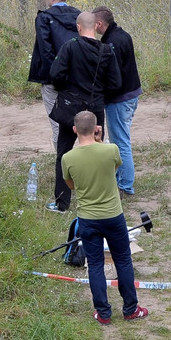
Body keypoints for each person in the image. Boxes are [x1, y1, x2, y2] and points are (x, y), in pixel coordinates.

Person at [62, 111, 149, 325]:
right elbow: (114, 167)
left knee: (95, 265)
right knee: (123, 261)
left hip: (88, 219)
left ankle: (103, 312)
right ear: (96, 128)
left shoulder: (68, 158)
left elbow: (71, 185)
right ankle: (130, 308)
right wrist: (99, 142)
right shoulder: (111, 150)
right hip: (113, 215)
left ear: (74, 130)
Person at [49, 11, 121, 212]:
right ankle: (101, 198)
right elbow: (116, 82)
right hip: (94, 107)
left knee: (63, 152)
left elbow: (56, 74)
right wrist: (98, 91)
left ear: (78, 27)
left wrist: (67, 87)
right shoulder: (106, 50)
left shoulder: (70, 47)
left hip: (70, 109)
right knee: (98, 150)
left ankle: (62, 203)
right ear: (95, 27)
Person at [93, 6, 142, 195]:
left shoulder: (110, 44)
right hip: (131, 94)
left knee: (120, 142)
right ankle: (121, 180)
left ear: (99, 24)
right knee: (121, 138)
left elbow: (113, 78)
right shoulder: (123, 35)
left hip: (119, 99)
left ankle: (125, 186)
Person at [29, 0, 81, 148]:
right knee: (82, 118)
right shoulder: (79, 16)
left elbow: (46, 51)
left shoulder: (44, 18)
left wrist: (55, 76)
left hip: (52, 78)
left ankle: (63, 164)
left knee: (57, 123)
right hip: (77, 77)